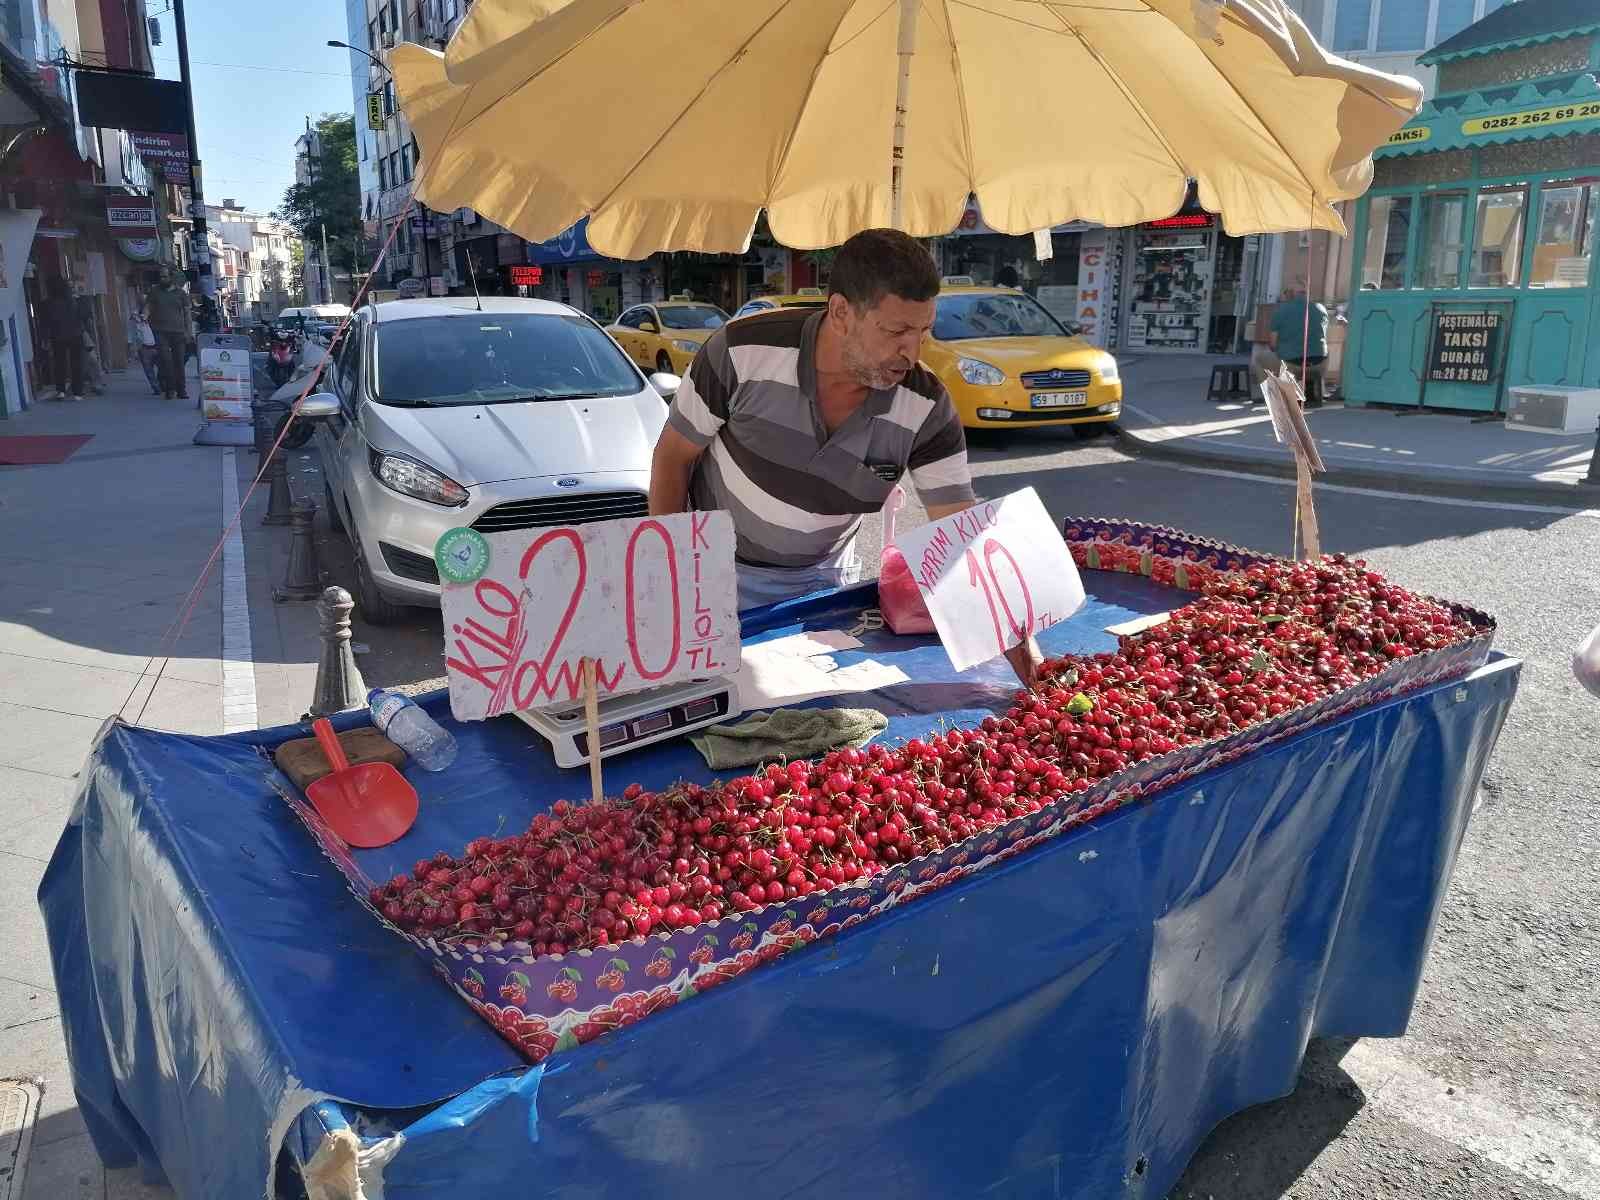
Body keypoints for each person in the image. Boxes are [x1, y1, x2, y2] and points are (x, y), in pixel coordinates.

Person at [649, 227, 1040, 687]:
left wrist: (1015, 634)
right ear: (840, 313)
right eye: (896, 331)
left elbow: (959, 534)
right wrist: (675, 576)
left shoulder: (927, 405)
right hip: (714, 571)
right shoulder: (740, 351)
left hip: (824, 585)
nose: (911, 353)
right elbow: (673, 458)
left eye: (923, 331)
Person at [1269, 284, 1330, 408]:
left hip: (1292, 364)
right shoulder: (1321, 309)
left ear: (1290, 294)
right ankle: (1315, 391)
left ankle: (1263, 398)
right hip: (1319, 364)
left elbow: (1273, 344)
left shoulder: (1281, 310)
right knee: (1322, 351)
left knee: (1259, 359)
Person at [145, 269, 191, 399]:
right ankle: (170, 389)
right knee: (165, 360)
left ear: (171, 278)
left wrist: (189, 332)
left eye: (165, 277)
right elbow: (148, 306)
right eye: (161, 277)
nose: (162, 279)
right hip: (160, 331)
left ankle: (181, 390)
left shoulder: (181, 294)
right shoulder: (155, 291)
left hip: (178, 332)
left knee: (179, 361)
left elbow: (187, 314)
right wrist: (144, 315)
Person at [40, 283, 84, 402]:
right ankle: (78, 392)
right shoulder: (73, 301)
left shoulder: (48, 303)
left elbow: (45, 323)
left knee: (59, 363)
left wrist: (45, 339)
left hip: (57, 337)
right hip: (75, 335)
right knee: (76, 364)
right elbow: (83, 316)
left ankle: (61, 391)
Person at [127, 307, 159, 394]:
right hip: (143, 348)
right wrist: (132, 353)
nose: (135, 317)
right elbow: (130, 338)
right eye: (133, 315)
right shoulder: (132, 324)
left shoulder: (149, 321)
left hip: (155, 346)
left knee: (162, 367)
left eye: (136, 315)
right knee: (149, 370)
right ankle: (156, 388)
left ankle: (162, 385)